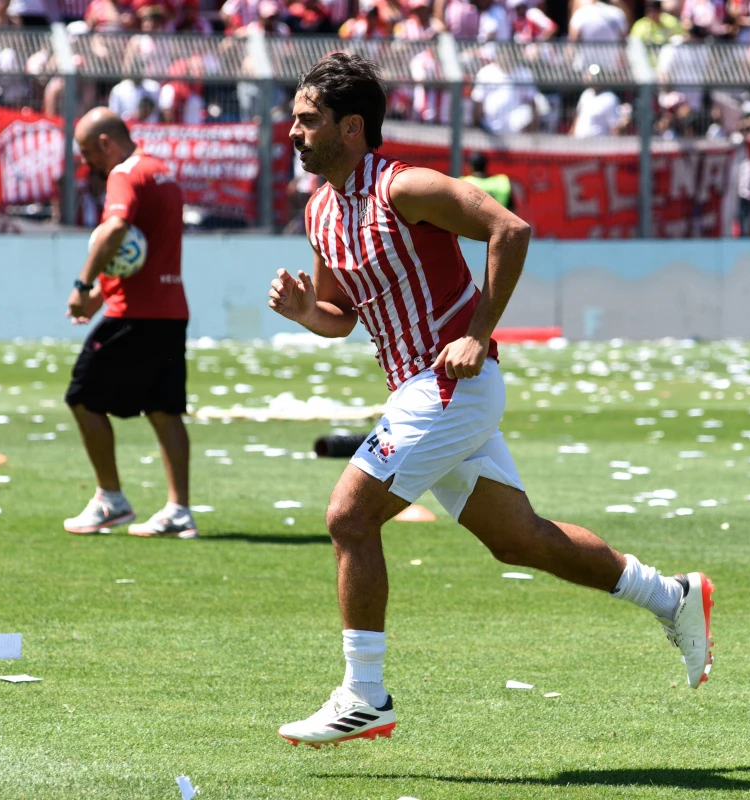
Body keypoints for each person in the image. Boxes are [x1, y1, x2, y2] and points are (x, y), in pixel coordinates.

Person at [268, 53, 715, 749]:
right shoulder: (320, 208)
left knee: (348, 517)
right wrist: (306, 312)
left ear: (351, 128)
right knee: (520, 541)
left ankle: (365, 694)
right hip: (420, 392)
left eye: (307, 120)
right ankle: (671, 595)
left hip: (449, 386)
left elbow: (511, 230)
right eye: (294, 120)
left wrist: (478, 334)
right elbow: (341, 313)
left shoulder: (405, 187)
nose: (293, 133)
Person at [62, 108, 198, 539]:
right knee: (164, 411)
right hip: (170, 311)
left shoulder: (124, 174)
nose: (88, 164)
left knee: (81, 396)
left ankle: (110, 499)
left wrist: (83, 285)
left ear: (106, 143)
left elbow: (114, 232)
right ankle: (179, 511)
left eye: (87, 153)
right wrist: (102, 295)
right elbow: (141, 256)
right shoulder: (163, 174)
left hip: (135, 317)